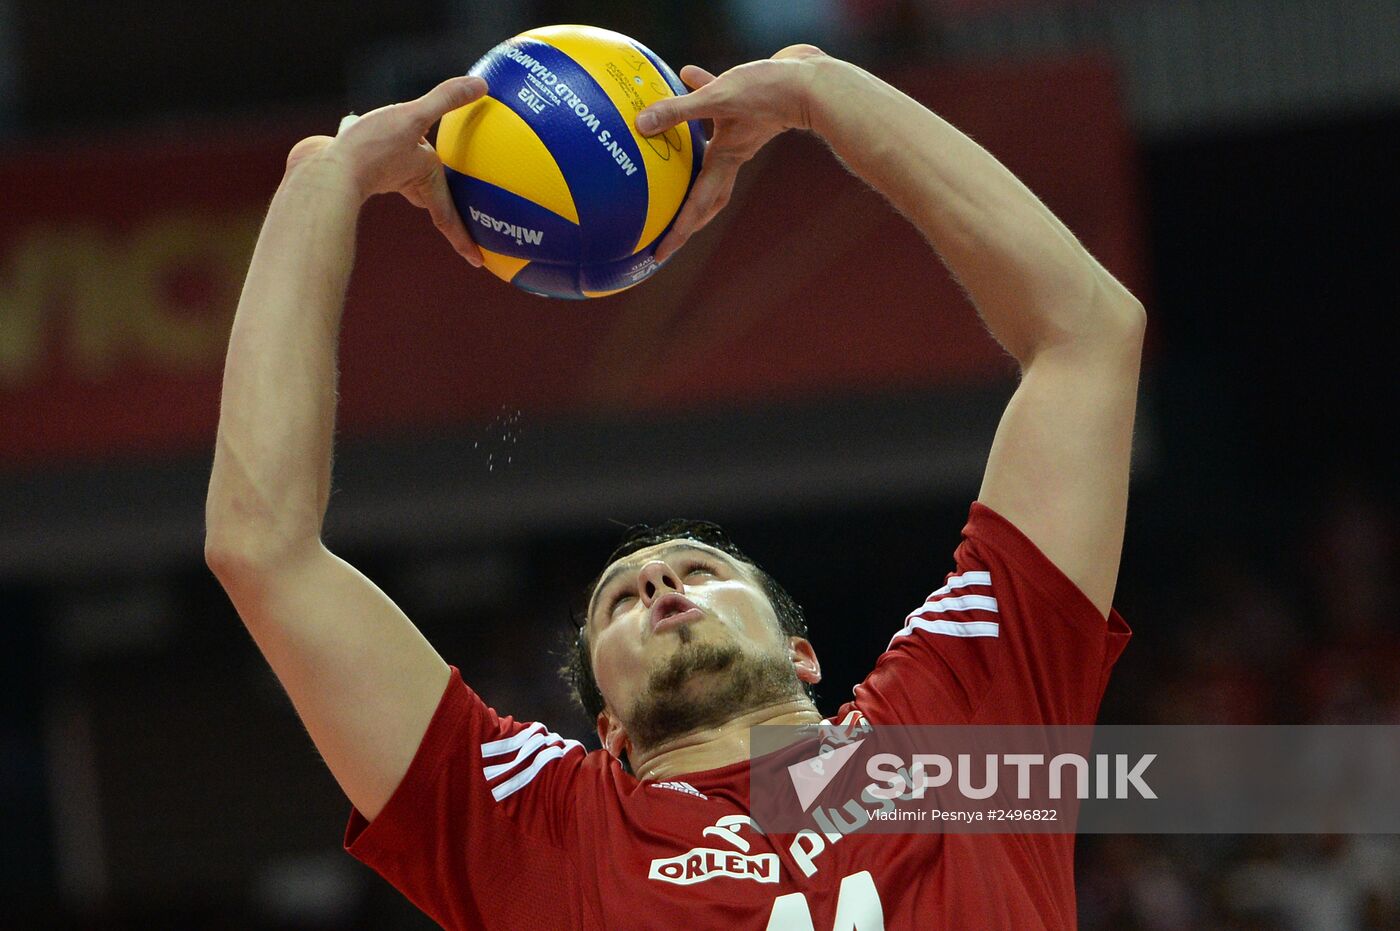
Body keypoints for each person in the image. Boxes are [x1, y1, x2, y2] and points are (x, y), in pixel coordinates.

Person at [205, 43, 1142, 930]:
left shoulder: (955, 735)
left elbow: (1088, 338)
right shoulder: (546, 829)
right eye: (617, 600)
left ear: (805, 653)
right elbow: (262, 549)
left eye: (697, 569)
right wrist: (320, 181)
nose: (657, 585)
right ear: (603, 724)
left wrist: (825, 94)